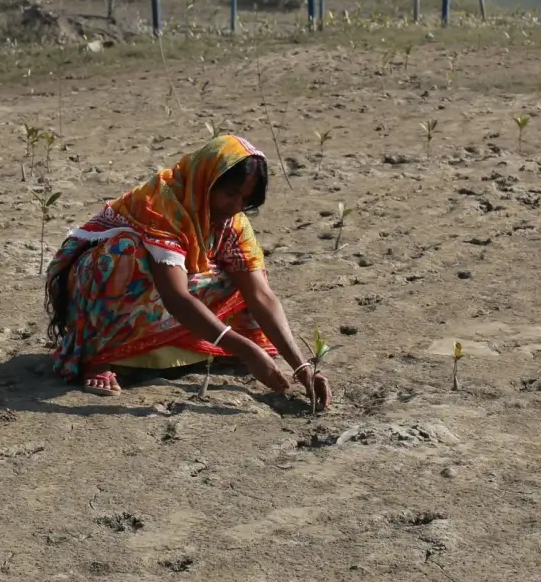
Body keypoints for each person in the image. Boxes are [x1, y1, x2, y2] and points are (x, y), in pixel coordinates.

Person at [45, 134, 332, 410]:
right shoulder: (161, 205)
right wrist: (246, 349)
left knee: (237, 277)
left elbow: (261, 295)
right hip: (100, 286)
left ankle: (175, 351)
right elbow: (176, 297)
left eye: (245, 198)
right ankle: (99, 355)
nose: (236, 207)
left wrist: (302, 367)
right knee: (125, 252)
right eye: (230, 194)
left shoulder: (233, 223)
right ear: (206, 183)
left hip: (160, 292)